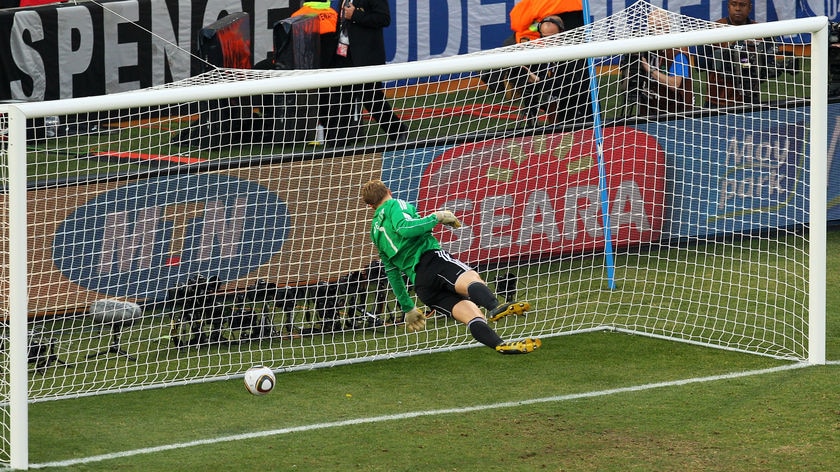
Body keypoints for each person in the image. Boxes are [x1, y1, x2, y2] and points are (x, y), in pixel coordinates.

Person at [360, 180, 541, 355]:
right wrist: (437, 217)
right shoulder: (395, 205)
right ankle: (494, 306)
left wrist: (408, 307)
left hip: (422, 286)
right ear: (389, 191)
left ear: (371, 206)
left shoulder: (374, 232)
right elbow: (405, 228)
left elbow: (392, 272)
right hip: (432, 261)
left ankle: (500, 345)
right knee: (471, 278)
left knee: (472, 316)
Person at [322, 0, 408, 146]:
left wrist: (355, 14)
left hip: (366, 57)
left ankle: (397, 131)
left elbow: (383, 19)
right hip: (344, 55)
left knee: (371, 98)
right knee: (340, 97)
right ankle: (335, 141)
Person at [507, 14, 593, 126]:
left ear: (562, 33)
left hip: (581, 113)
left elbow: (565, 89)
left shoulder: (573, 56)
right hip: (560, 113)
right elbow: (512, 96)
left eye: (552, 37)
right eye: (544, 37)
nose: (548, 41)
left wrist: (538, 80)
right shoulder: (543, 55)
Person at [624, 9, 693, 116]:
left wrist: (650, 69)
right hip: (650, 110)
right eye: (651, 29)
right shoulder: (647, 48)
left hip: (675, 113)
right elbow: (626, 86)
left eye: (659, 28)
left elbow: (674, 84)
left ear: (668, 27)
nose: (655, 32)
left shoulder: (678, 51)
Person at [704, 0, 772, 106]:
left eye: (742, 5)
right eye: (734, 4)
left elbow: (769, 66)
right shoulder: (713, 30)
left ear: (750, 7)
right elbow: (700, 63)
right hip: (718, 100)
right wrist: (725, 58)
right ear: (728, 6)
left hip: (750, 98)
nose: (738, 8)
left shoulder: (760, 31)